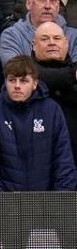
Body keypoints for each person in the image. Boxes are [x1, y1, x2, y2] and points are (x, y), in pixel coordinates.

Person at [0, 55, 76, 191]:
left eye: (23, 81)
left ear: (35, 83)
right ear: (5, 81)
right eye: (12, 80)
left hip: (47, 204)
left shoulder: (52, 110)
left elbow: (64, 160)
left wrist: (59, 202)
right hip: (4, 205)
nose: (17, 86)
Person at [0, 0, 77, 65]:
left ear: (58, 7)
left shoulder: (74, 37)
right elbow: (16, 72)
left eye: (52, 0)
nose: (48, 6)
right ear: (28, 3)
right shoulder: (12, 36)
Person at [31, 21, 77, 159]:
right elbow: (37, 76)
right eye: (44, 39)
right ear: (33, 45)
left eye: (57, 38)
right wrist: (73, 76)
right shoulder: (22, 73)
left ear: (66, 43)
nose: (52, 43)